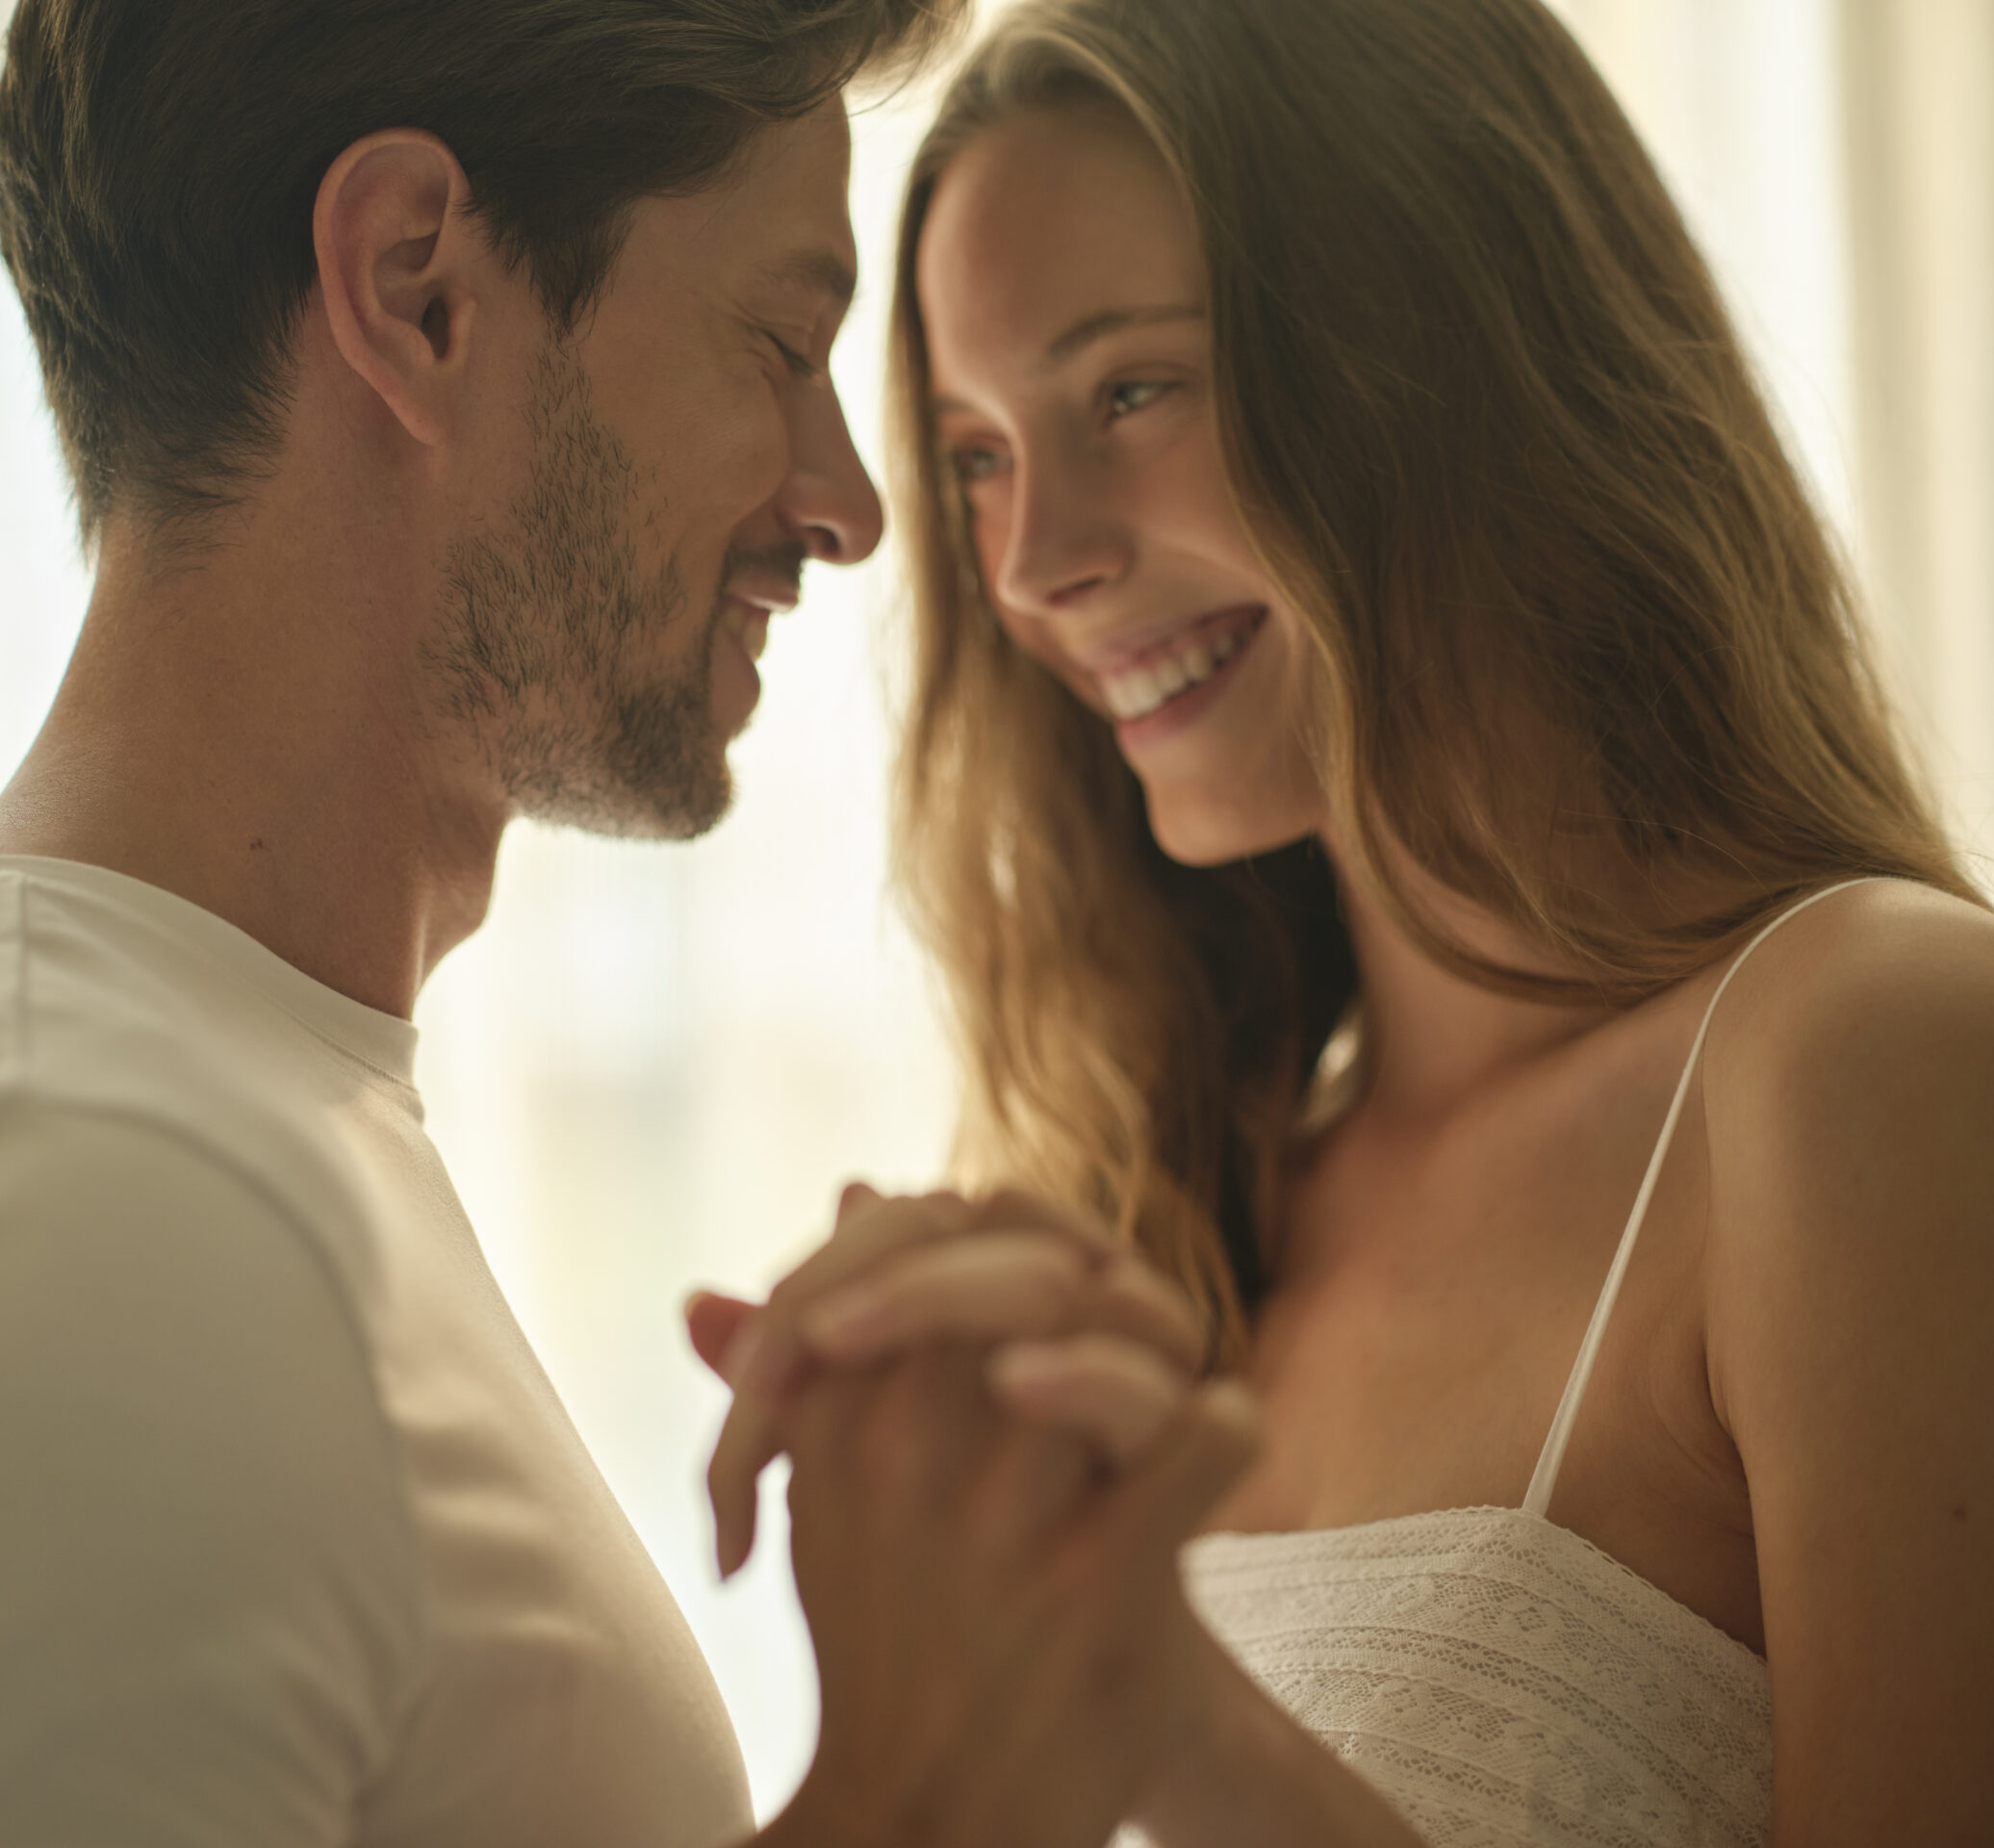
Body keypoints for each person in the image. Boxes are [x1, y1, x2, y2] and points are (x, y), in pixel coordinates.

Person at [0, 2, 1264, 1843]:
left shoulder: (169, 1116)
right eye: (779, 340)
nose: (842, 510)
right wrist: (933, 1795)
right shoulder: (54, 1182)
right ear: (417, 286)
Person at [703, 0, 1994, 1841]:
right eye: (978, 451)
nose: (1033, 561)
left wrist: (1171, 1723)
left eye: (1130, 392)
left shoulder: (1871, 1058)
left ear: (1461, 352)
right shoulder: (1166, 1207)